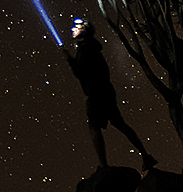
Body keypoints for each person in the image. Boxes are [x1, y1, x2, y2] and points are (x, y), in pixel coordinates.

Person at [64, 15, 158, 171]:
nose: (73, 29)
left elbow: (81, 71)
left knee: (94, 126)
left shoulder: (85, 48)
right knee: (120, 124)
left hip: (96, 93)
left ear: (85, 31)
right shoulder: (92, 47)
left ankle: (104, 166)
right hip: (106, 92)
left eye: (78, 27)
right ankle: (145, 155)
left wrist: (69, 59)